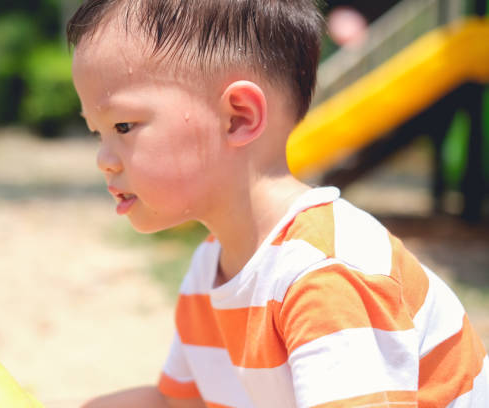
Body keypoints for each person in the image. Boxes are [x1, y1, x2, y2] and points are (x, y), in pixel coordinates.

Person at [66, 1, 489, 407]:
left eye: (123, 125)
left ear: (238, 117)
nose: (104, 159)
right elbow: (177, 403)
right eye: (96, 133)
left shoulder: (326, 273)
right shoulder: (209, 269)